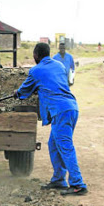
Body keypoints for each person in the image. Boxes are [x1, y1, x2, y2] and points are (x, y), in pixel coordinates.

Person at [14, 43, 87, 196]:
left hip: (60, 111)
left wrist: (17, 93)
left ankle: (78, 184)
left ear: (36, 55)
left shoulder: (35, 70)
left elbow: (24, 91)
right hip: (71, 107)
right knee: (53, 145)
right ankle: (59, 179)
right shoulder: (60, 66)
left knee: (65, 147)